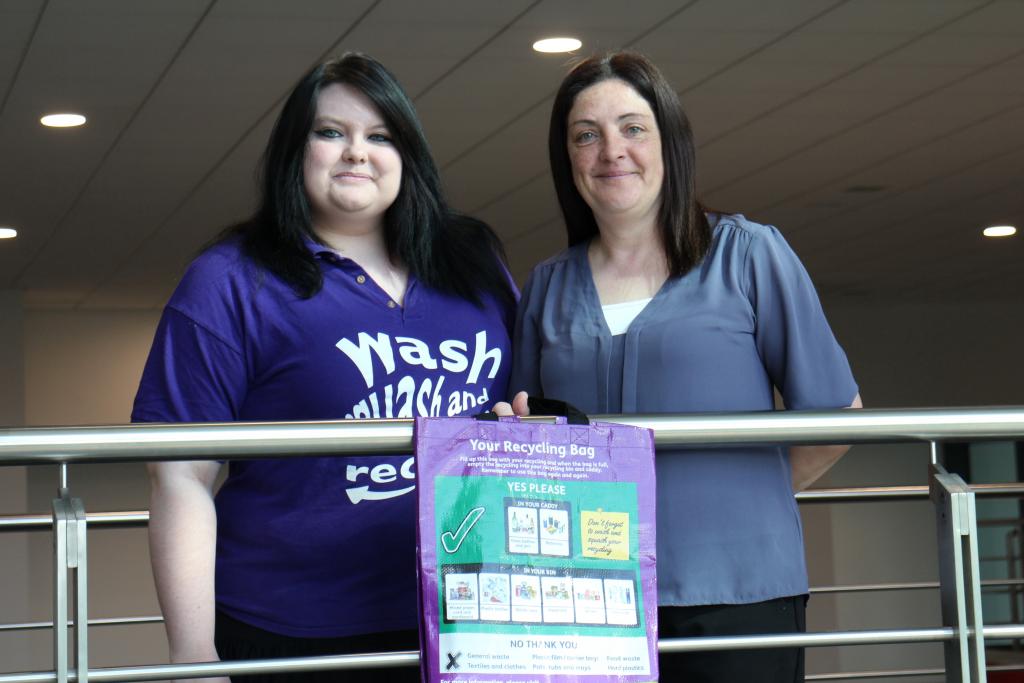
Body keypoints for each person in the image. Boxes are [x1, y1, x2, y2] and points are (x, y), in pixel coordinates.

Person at [132, 53, 517, 683]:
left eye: (381, 136)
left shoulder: (473, 263)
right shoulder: (231, 280)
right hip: (290, 631)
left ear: (408, 155)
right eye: (331, 132)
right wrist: (193, 655)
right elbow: (179, 477)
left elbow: (515, 406)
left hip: (464, 618)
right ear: (295, 150)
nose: (356, 153)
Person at [500, 52, 861, 682]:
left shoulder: (748, 255)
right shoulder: (546, 287)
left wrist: (742, 503)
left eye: (633, 128)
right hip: (586, 603)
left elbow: (837, 419)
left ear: (670, 143)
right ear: (569, 161)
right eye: (587, 135)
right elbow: (524, 439)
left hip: (739, 592)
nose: (612, 150)